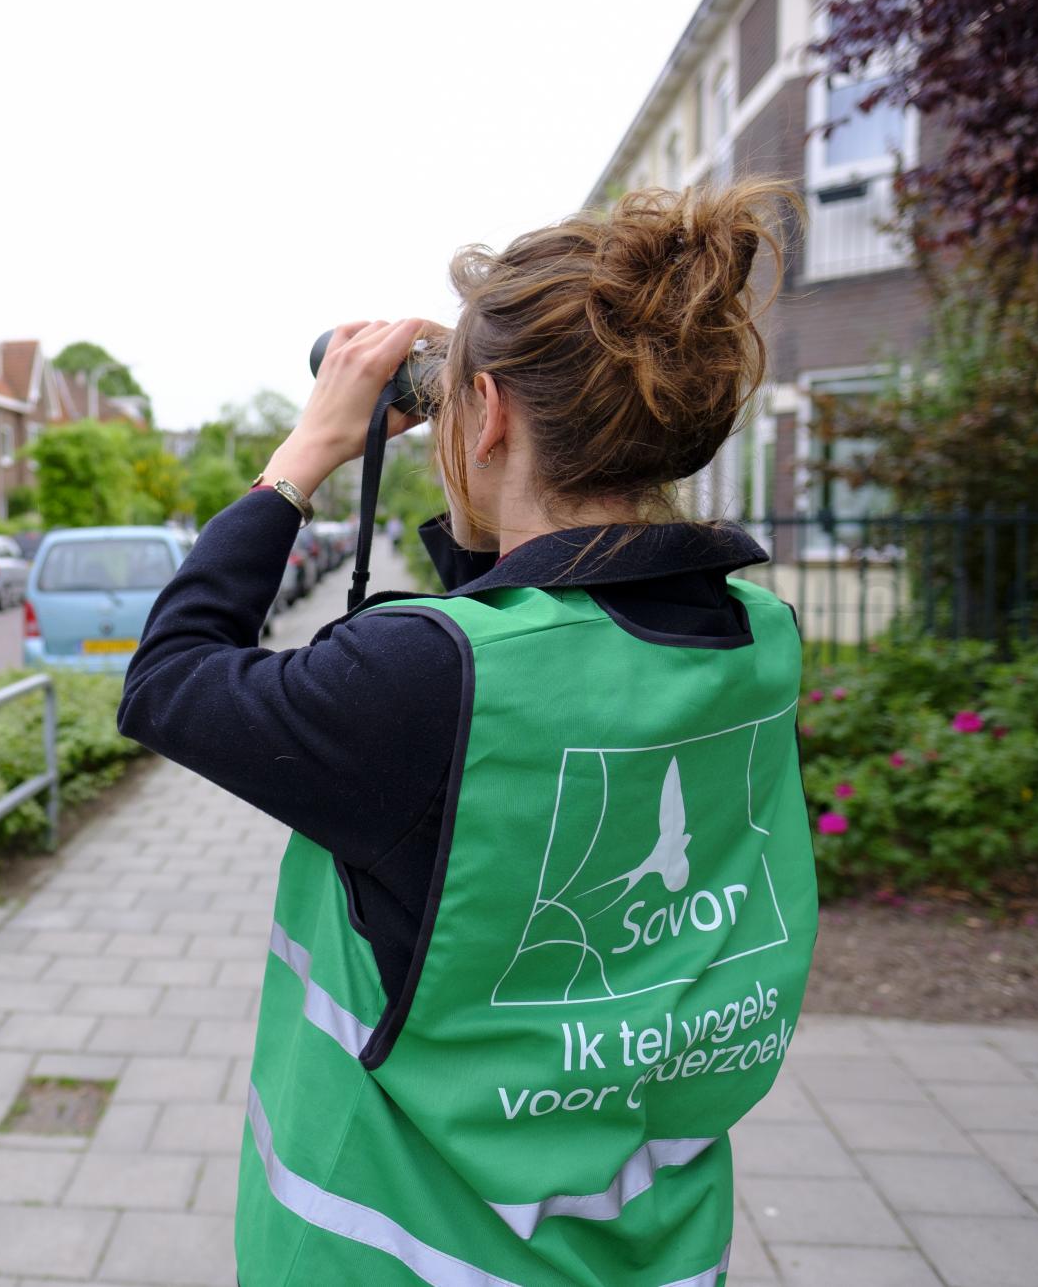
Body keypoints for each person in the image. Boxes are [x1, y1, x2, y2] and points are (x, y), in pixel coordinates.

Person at [120, 182, 816, 1287]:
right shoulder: (756, 633)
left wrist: (305, 451)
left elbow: (166, 679)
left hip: (405, 1253)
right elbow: (546, 630)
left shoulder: (429, 678)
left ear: (485, 411)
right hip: (659, 1246)